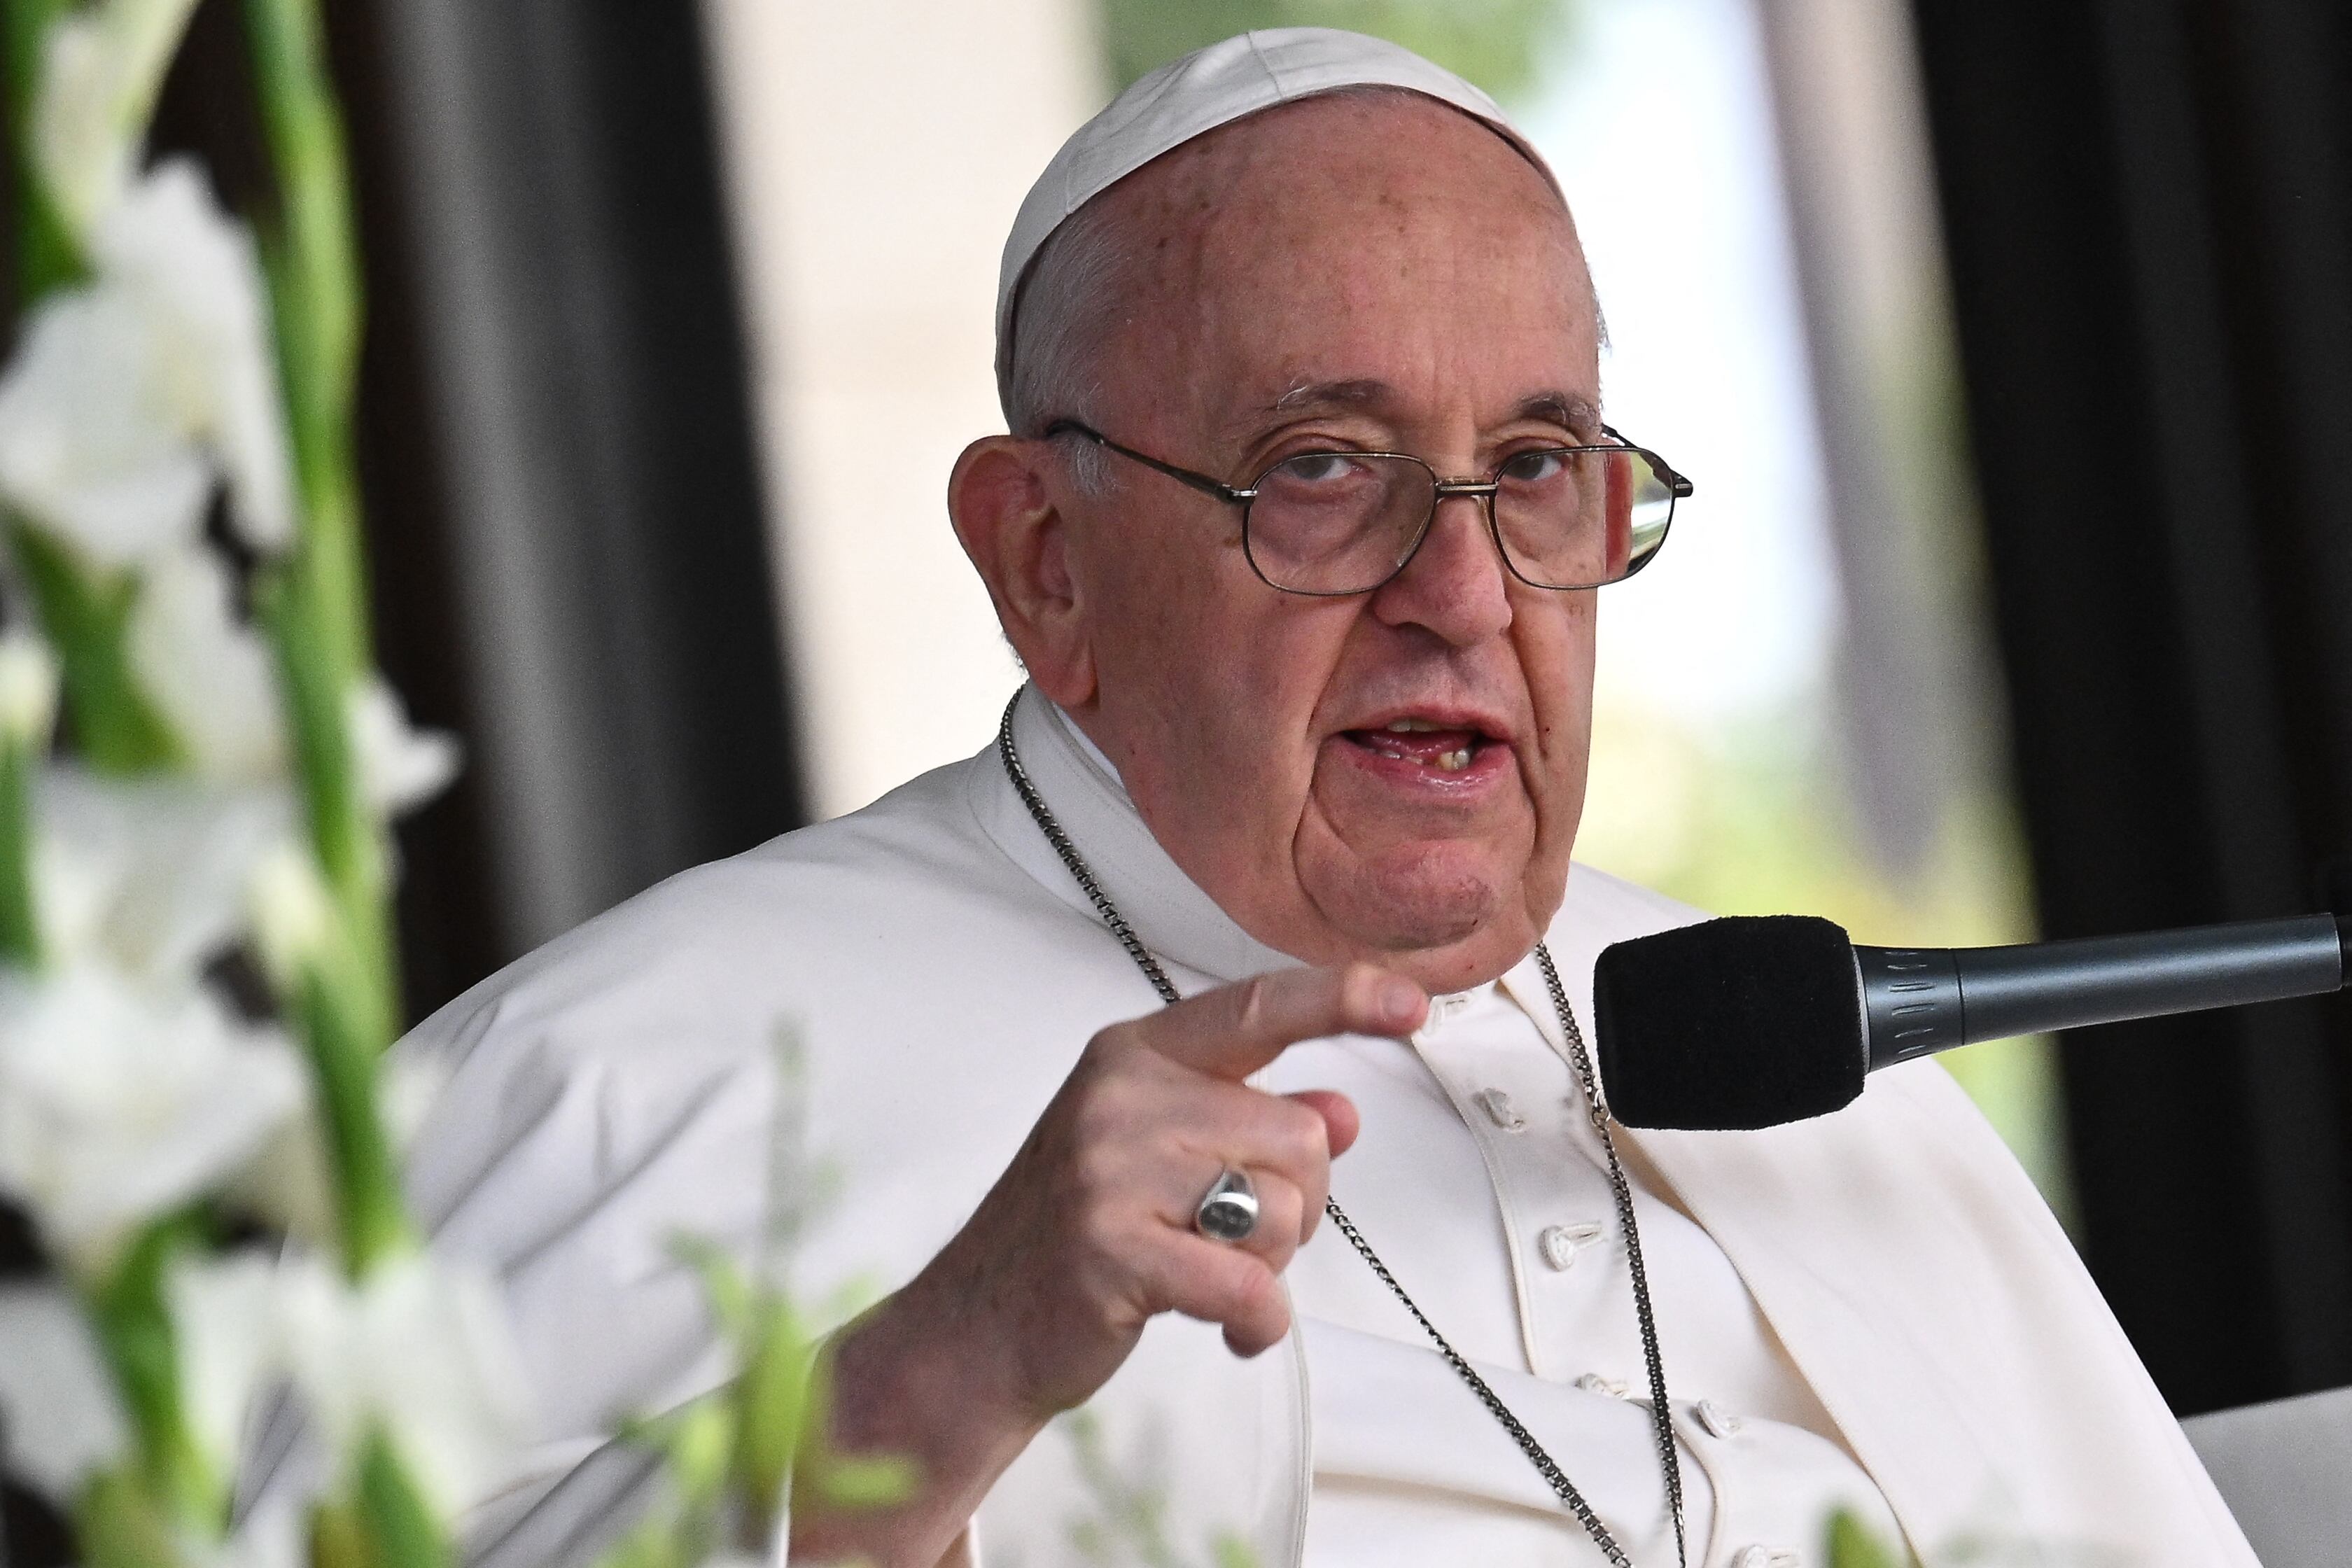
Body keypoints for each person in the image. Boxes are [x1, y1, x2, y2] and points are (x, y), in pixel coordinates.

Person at [401, 29, 2258, 1568]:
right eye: (1320, 467)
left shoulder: (1794, 1049)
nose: (1463, 592)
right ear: (1047, 561)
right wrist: (926, 1384)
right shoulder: (633, 1075)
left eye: (1536, 465)